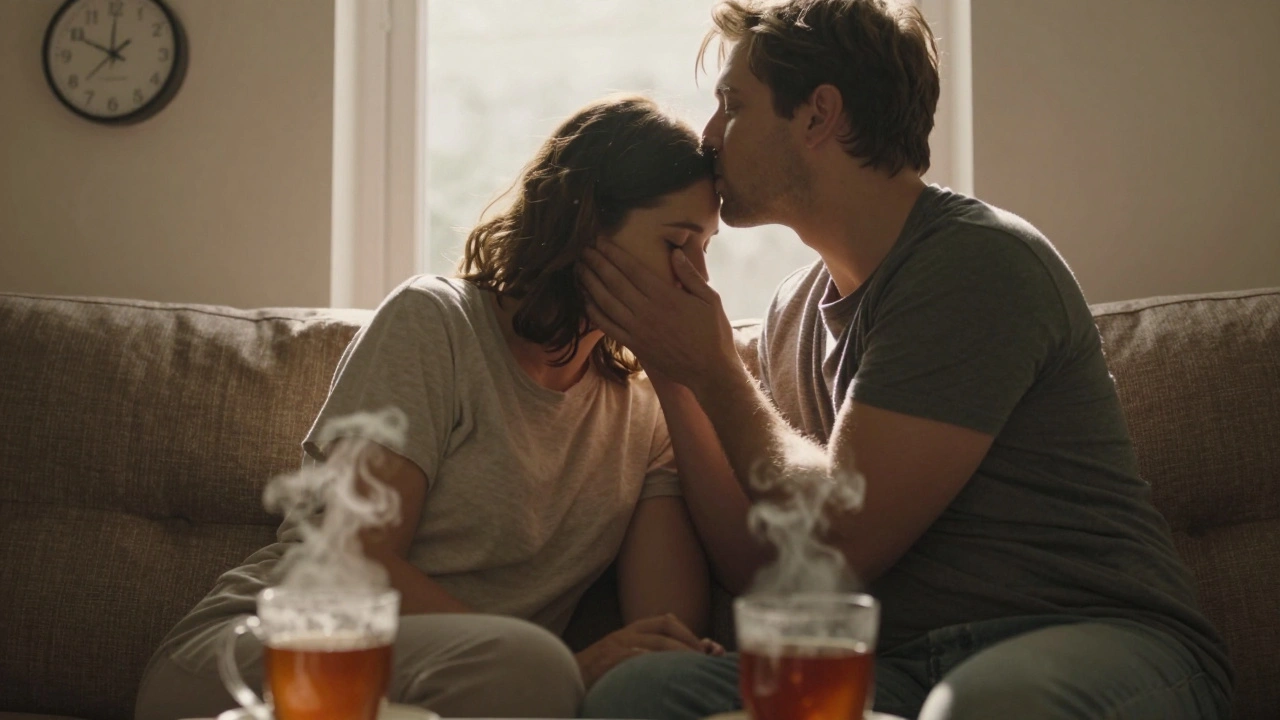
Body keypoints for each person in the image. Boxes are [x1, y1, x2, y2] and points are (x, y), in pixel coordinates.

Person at [576, 2, 1233, 719]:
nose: (708, 137)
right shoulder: (792, 313)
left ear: (820, 114)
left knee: (981, 705)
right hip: (894, 671)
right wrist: (673, 372)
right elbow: (768, 567)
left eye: (733, 105)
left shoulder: (978, 263)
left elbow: (842, 535)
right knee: (641, 695)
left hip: (1091, 643)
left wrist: (714, 370)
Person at [134, 94, 726, 720]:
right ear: (586, 227)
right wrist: (554, 669)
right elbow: (355, 559)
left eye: (706, 249)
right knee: (530, 670)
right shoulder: (436, 321)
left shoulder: (645, 402)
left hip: (466, 690)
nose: (696, 276)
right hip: (263, 655)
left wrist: (677, 373)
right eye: (678, 243)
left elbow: (666, 631)